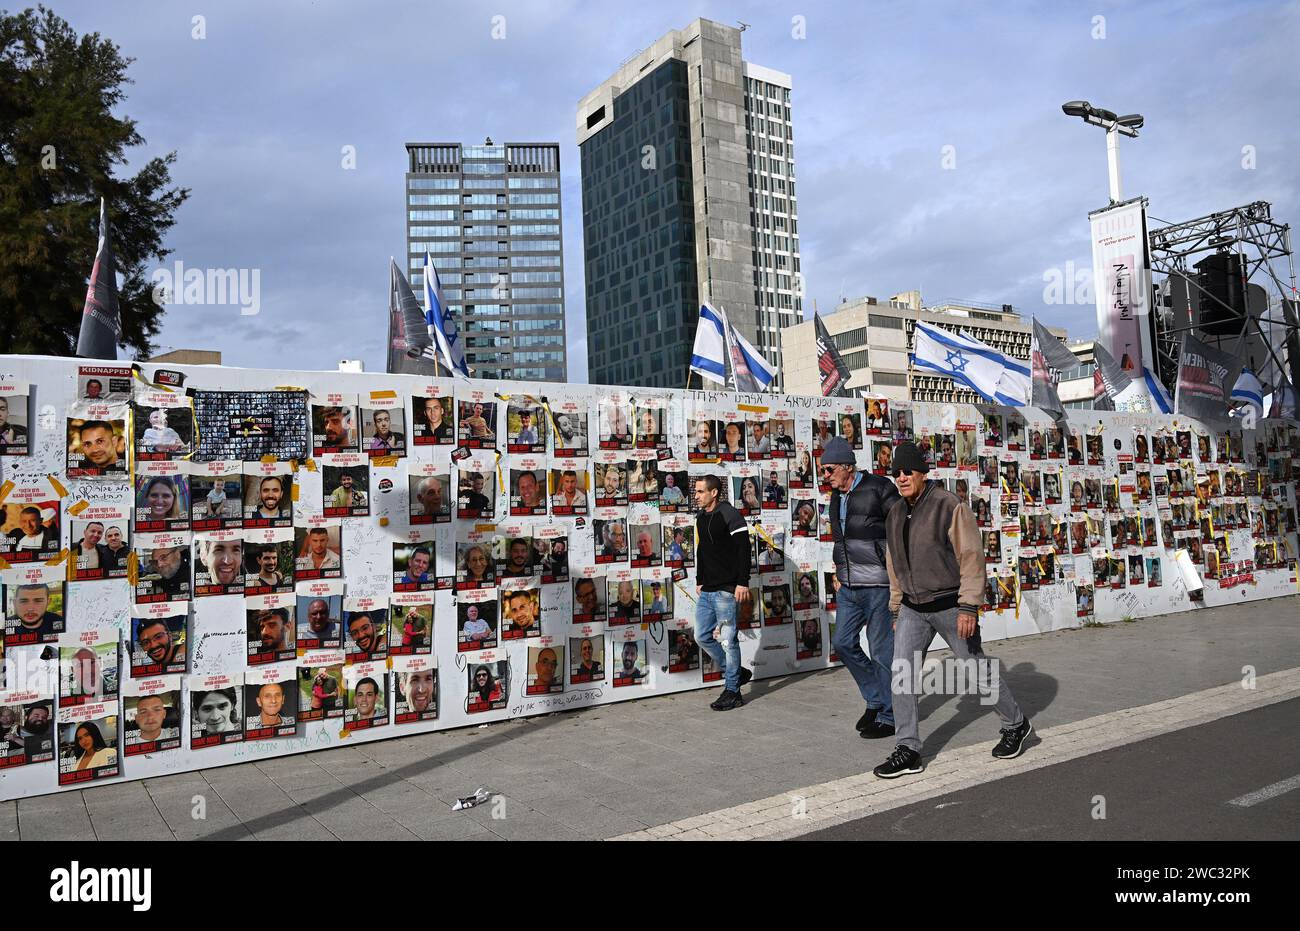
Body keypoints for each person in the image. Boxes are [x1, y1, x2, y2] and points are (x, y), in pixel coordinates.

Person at [875, 441, 1032, 778]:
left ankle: (1016, 724)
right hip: (912, 609)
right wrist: (895, 608)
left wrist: (968, 607)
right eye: (896, 473)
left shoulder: (949, 506)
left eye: (907, 471)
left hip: (951, 605)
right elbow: (894, 564)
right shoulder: (895, 513)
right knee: (901, 673)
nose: (901, 477)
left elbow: (972, 556)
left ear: (921, 472)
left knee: (976, 670)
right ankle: (908, 748)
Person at [692, 475, 753, 710]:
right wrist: (699, 579)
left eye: (700, 492)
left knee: (728, 641)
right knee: (702, 636)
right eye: (696, 492)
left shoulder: (730, 515)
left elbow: (743, 549)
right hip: (708, 589)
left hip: (728, 589)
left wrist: (742, 582)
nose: (696, 496)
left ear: (714, 493)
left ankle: (733, 692)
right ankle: (736, 672)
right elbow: (702, 550)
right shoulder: (701, 516)